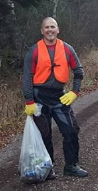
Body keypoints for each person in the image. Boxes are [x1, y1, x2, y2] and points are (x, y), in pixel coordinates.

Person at [22, 17, 88, 179]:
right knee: (44, 134)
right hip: (39, 97)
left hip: (60, 96)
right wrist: (29, 101)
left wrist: (74, 92)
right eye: (46, 27)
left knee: (71, 130)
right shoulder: (34, 50)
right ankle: (46, 167)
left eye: (53, 27)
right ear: (42, 30)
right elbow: (26, 77)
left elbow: (78, 71)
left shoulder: (67, 49)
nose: (50, 30)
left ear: (58, 30)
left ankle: (71, 165)